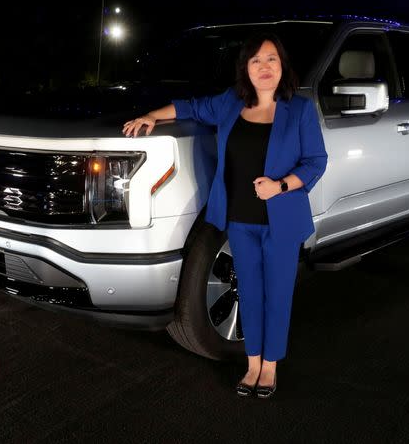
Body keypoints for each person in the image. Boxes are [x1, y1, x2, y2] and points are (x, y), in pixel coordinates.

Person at [122, 32, 327, 399]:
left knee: (277, 295)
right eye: (256, 61)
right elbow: (192, 108)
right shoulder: (231, 103)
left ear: (283, 65)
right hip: (240, 219)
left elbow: (316, 161)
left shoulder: (300, 109)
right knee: (248, 292)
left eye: (271, 59)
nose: (264, 68)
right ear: (245, 69)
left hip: (282, 221)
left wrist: (280, 186)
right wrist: (152, 115)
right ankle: (251, 364)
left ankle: (270, 367)